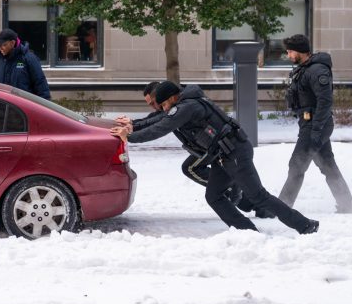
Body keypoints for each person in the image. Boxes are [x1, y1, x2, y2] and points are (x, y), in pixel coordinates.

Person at [112, 80, 319, 235]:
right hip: (222, 155)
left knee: (259, 196)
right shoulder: (184, 103)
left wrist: (130, 136)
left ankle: (305, 225)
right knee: (214, 196)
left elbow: (162, 126)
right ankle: (247, 233)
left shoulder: (188, 107)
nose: (163, 109)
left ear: (173, 97)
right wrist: (133, 126)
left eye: (164, 104)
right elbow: (160, 119)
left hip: (235, 151)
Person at [278, 34, 352, 213]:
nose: (288, 55)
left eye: (290, 52)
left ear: (300, 51)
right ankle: (346, 205)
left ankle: (282, 207)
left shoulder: (317, 70)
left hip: (315, 124)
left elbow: (325, 101)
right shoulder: (305, 68)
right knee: (327, 165)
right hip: (311, 124)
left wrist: (316, 130)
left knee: (296, 165)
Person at [0, 28, 51, 99]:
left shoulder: (29, 59)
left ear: (12, 43)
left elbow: (40, 85)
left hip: (22, 108)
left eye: (4, 45)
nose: (0, 48)